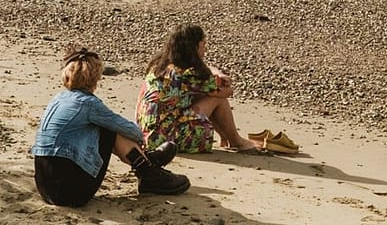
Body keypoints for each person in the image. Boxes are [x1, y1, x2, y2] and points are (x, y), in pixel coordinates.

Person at [32, 45, 190, 203]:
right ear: (95, 77)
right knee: (109, 130)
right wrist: (141, 140)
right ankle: (148, 171)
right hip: (69, 192)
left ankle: (147, 165)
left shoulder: (58, 99)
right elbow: (130, 130)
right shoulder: (88, 104)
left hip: (46, 187)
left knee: (98, 128)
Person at [137, 24, 266, 154]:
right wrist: (221, 77)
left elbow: (208, 73)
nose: (205, 49)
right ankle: (236, 141)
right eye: (203, 44)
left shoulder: (160, 66)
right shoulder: (189, 74)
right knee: (216, 99)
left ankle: (226, 137)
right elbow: (226, 91)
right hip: (168, 140)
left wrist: (217, 73)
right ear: (194, 48)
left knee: (198, 95)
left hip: (148, 136)